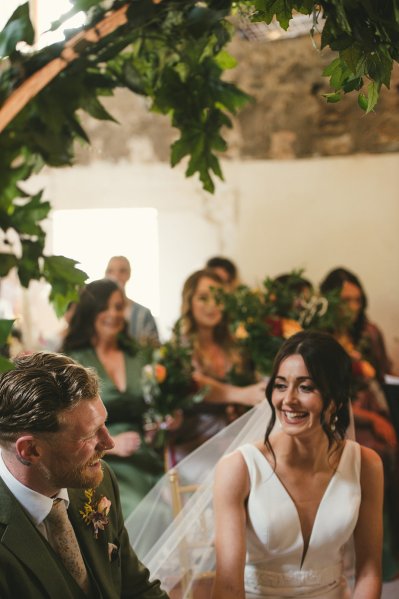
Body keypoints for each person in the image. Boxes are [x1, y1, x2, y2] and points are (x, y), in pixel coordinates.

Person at [212, 330, 383, 599]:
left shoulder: (367, 465)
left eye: (306, 387)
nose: (288, 400)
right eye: (280, 385)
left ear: (336, 399)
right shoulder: (239, 468)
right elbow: (228, 586)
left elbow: (370, 572)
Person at [0, 351, 169, 598]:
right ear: (31, 450)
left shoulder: (99, 481)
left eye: (104, 424)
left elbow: (137, 588)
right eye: (89, 435)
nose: (109, 443)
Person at [62, 278, 164, 518]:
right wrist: (112, 444)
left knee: (181, 506)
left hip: (145, 455)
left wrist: (161, 426)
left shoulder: (138, 356)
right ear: (91, 312)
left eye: (119, 307)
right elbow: (68, 424)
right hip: (102, 460)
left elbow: (153, 406)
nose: (113, 314)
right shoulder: (72, 360)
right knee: (148, 513)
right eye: (105, 308)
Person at [169, 269, 266, 462]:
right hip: (196, 443)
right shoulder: (180, 346)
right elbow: (195, 383)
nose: (212, 305)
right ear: (189, 302)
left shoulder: (234, 345)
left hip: (234, 438)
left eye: (218, 298)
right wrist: (241, 394)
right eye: (203, 298)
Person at [105, 255, 159, 345]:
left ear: (129, 274)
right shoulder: (96, 312)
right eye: (110, 271)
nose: (116, 275)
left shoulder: (143, 314)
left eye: (122, 271)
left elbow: (154, 349)